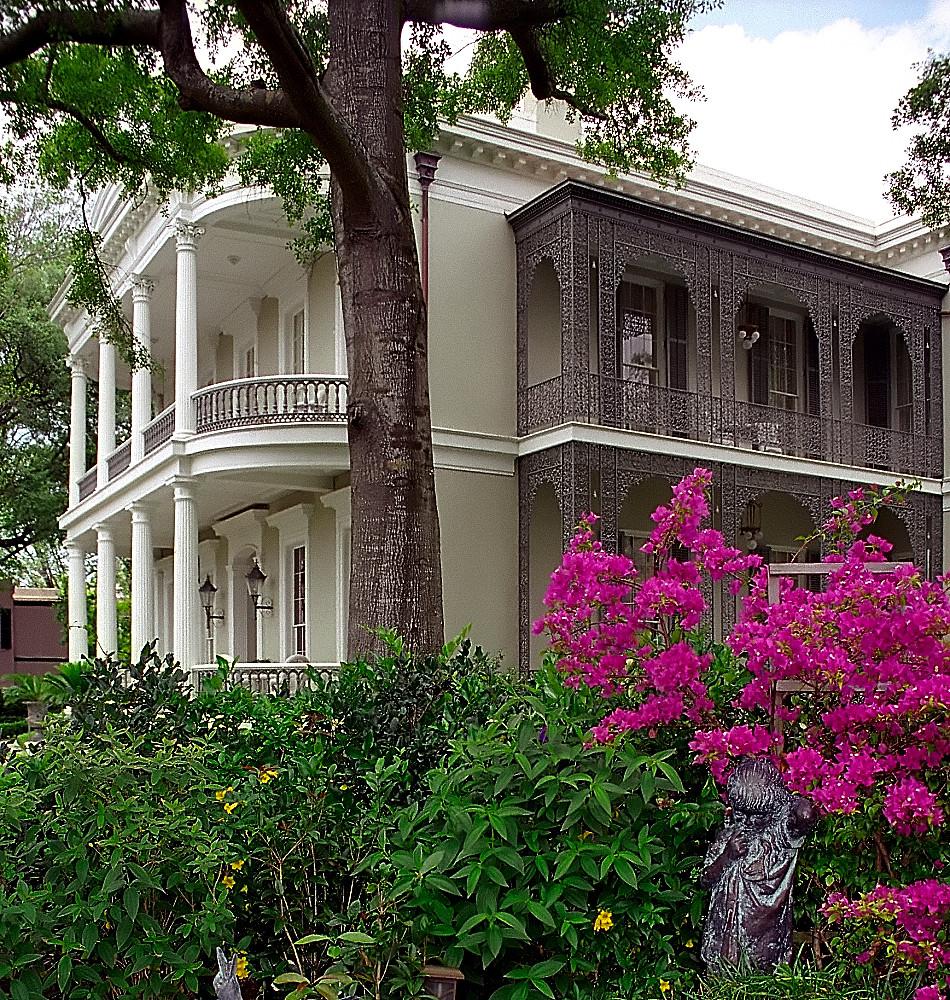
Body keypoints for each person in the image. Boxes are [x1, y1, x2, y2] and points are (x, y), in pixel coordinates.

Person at [700, 757, 818, 971]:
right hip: (722, 939)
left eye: (756, 816)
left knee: (761, 979)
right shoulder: (729, 836)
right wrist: (727, 856)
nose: (747, 822)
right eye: (741, 813)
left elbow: (805, 815)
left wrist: (786, 799)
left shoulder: (781, 835)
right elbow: (705, 879)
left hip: (764, 939)